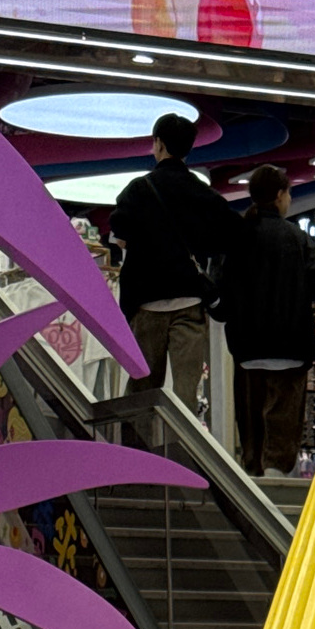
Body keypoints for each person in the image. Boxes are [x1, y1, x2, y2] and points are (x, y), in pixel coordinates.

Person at [109, 112, 241, 415]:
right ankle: (183, 444)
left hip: (146, 304)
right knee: (186, 395)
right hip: (190, 303)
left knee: (142, 393)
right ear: (188, 148)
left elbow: (119, 236)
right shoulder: (202, 193)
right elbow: (231, 234)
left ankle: (138, 445)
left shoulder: (138, 190)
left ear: (158, 144)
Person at [218, 164, 315, 479]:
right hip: (292, 346)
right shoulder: (299, 239)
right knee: (284, 418)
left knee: (252, 419)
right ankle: (276, 475)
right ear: (279, 195)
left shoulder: (237, 238)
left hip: (248, 348)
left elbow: (222, 289)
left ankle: (253, 475)